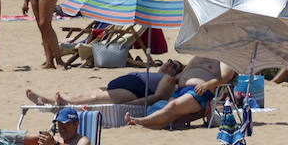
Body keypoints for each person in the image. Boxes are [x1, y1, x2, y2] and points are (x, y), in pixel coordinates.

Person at [126, 57, 236, 129]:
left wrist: (206, 85)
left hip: (200, 91)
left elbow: (225, 77)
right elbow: (185, 72)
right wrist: (176, 78)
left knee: (172, 107)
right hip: (181, 89)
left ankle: (140, 121)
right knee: (169, 113)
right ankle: (145, 125)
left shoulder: (224, 58)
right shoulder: (198, 56)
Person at [27, 59, 185, 109]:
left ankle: (63, 103)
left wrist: (130, 105)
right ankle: (48, 101)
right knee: (85, 94)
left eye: (174, 65)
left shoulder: (168, 80)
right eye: (169, 61)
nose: (168, 64)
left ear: (176, 73)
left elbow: (157, 97)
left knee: (95, 98)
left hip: (134, 91)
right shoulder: (151, 72)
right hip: (123, 86)